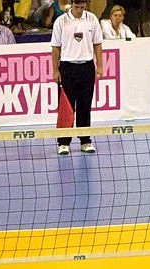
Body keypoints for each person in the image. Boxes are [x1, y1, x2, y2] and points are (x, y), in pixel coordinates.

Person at [51, 0, 103, 156]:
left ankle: (85, 141)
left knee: (85, 105)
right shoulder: (61, 21)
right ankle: (63, 143)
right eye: (77, 7)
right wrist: (55, 70)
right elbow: (55, 48)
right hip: (67, 67)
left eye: (82, 7)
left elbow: (97, 44)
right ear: (71, 4)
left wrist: (99, 66)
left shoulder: (92, 19)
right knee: (66, 108)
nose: (80, 10)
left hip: (87, 67)